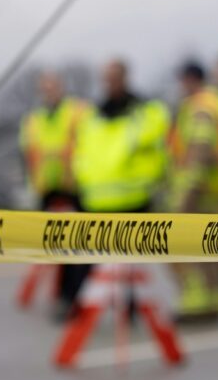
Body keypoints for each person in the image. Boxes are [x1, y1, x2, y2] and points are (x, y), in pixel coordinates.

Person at [71, 59, 170, 314]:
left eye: (114, 77)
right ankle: (80, 309)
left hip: (133, 198)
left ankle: (129, 308)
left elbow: (152, 145)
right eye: (106, 77)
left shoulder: (146, 111)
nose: (110, 83)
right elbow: (83, 152)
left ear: (125, 77)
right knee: (86, 262)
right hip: (95, 200)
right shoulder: (93, 115)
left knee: (131, 263)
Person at [168, 62, 218, 320]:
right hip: (213, 187)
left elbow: (201, 147)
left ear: (190, 80)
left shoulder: (200, 106)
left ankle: (196, 302)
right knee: (209, 246)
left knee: (184, 244)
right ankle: (215, 299)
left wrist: (188, 188)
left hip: (198, 188)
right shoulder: (215, 102)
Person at [19, 71, 88, 313]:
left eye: (53, 87)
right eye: (45, 88)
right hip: (46, 189)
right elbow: (28, 153)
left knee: (75, 247)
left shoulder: (77, 112)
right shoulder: (34, 119)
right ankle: (60, 296)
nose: (49, 92)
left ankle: (71, 296)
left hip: (74, 188)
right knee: (51, 246)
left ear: (62, 87)